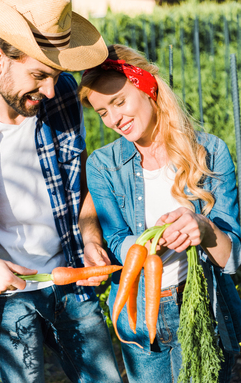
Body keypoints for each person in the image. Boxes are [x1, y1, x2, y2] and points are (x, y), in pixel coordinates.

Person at [0, 0, 123, 383]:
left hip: (70, 279)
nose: (48, 90)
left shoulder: (59, 102)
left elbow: (80, 188)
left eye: (56, 77)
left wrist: (91, 238)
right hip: (0, 296)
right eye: (39, 75)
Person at [78, 44, 241, 383]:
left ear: (146, 86)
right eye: (102, 112)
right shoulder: (103, 165)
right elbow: (116, 239)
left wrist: (204, 229)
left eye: (118, 102)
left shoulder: (210, 152)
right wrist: (150, 247)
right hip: (138, 315)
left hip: (203, 310)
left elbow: (234, 258)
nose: (113, 120)